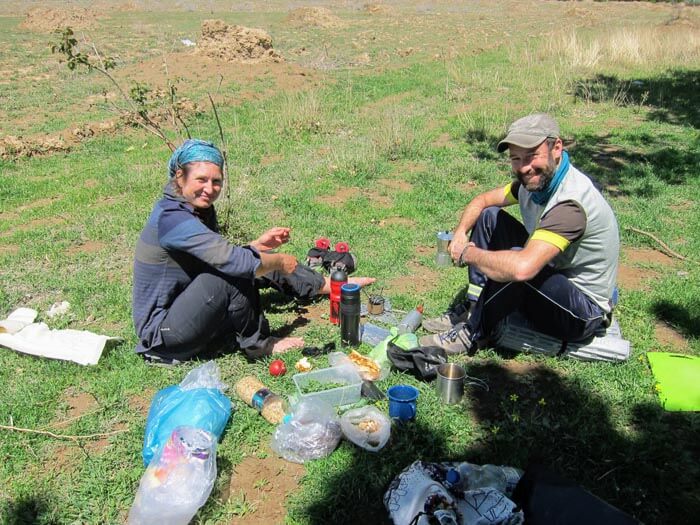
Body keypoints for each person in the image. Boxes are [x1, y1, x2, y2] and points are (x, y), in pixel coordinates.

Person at [132, 139, 375, 364]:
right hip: (163, 336)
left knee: (252, 259)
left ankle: (326, 284)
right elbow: (229, 262)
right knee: (238, 269)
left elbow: (215, 257)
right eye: (201, 180)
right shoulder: (171, 219)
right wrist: (278, 260)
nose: (210, 188)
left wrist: (257, 246)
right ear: (179, 177)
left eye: (216, 181)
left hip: (187, 308)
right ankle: (259, 345)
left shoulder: (194, 208)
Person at [420, 113, 619, 354]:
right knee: (490, 216)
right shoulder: (536, 183)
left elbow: (522, 268)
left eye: (532, 156)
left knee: (519, 262)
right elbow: (482, 201)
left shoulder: (570, 204)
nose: (524, 167)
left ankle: (474, 332)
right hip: (555, 275)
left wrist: (468, 254)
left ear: (556, 148)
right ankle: (475, 306)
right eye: (516, 158)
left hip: (581, 313)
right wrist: (461, 232)